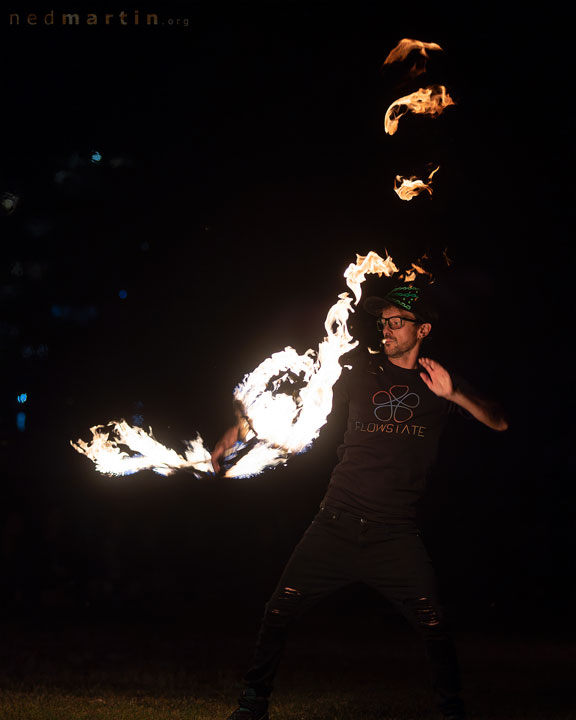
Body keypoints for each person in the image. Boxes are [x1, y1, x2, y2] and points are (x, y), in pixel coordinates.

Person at [212, 284, 508, 720]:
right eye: (383, 321)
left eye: (397, 322)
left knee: (433, 623)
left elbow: (499, 422)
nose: (385, 329)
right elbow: (297, 400)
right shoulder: (356, 371)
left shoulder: (440, 380)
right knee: (279, 608)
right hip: (335, 522)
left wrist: (453, 395)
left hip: (394, 533)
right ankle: (252, 703)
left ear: (422, 329)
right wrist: (234, 433)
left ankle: (451, 710)